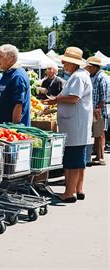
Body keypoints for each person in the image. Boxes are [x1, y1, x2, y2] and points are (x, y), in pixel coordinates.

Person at [43, 47, 93, 203]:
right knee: (77, 160)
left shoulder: (78, 77)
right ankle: (77, 190)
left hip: (74, 126)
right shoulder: (78, 75)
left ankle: (69, 192)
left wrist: (55, 100)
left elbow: (73, 98)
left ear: (73, 63)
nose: (63, 63)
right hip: (75, 125)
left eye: (66, 61)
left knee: (72, 161)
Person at [0, 44, 31, 126]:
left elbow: (19, 104)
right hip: (0, 127)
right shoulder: (8, 73)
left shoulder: (18, 76)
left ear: (11, 58)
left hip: (11, 130)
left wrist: (13, 128)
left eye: (0, 57)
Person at [85, 56, 108, 165]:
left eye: (89, 66)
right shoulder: (93, 76)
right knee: (97, 133)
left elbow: (104, 97)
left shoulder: (102, 77)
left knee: (100, 132)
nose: (88, 68)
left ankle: (101, 157)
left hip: (100, 110)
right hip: (95, 109)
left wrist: (98, 109)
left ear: (95, 67)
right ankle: (98, 155)